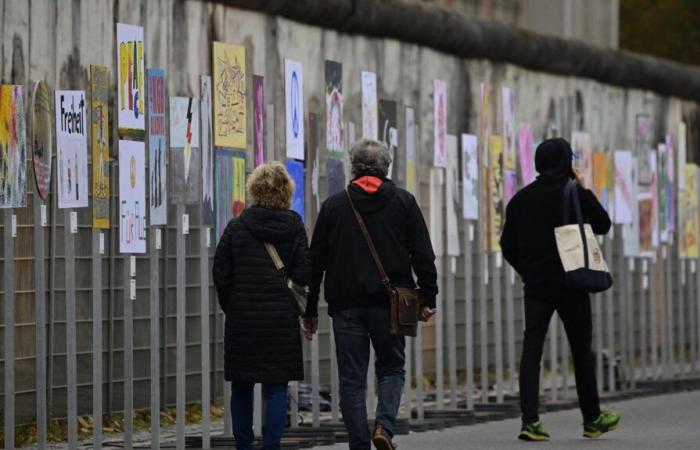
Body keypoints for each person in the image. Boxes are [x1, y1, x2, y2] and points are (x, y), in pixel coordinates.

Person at [307, 139, 438, 450]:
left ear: (353, 168)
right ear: (386, 167)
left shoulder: (334, 206)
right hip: (391, 304)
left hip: (345, 306)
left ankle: (359, 444)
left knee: (351, 380)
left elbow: (315, 263)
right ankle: (384, 428)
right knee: (392, 368)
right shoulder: (404, 203)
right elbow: (424, 255)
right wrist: (428, 298)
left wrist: (309, 310)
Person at [500, 138, 620, 441]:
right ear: (567, 162)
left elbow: (508, 246)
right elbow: (603, 224)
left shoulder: (520, 200)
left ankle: (530, 422)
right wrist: (583, 186)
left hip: (537, 287)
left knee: (532, 352)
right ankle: (592, 419)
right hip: (572, 283)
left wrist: (529, 271)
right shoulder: (573, 194)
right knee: (581, 352)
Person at [213, 163, 312, 450]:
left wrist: (232, 304)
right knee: (277, 385)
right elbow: (305, 273)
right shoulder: (294, 227)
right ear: (286, 193)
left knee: (242, 385)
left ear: (254, 190)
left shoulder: (237, 226)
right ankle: (271, 445)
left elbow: (221, 272)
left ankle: (243, 445)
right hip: (281, 318)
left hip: (243, 317)